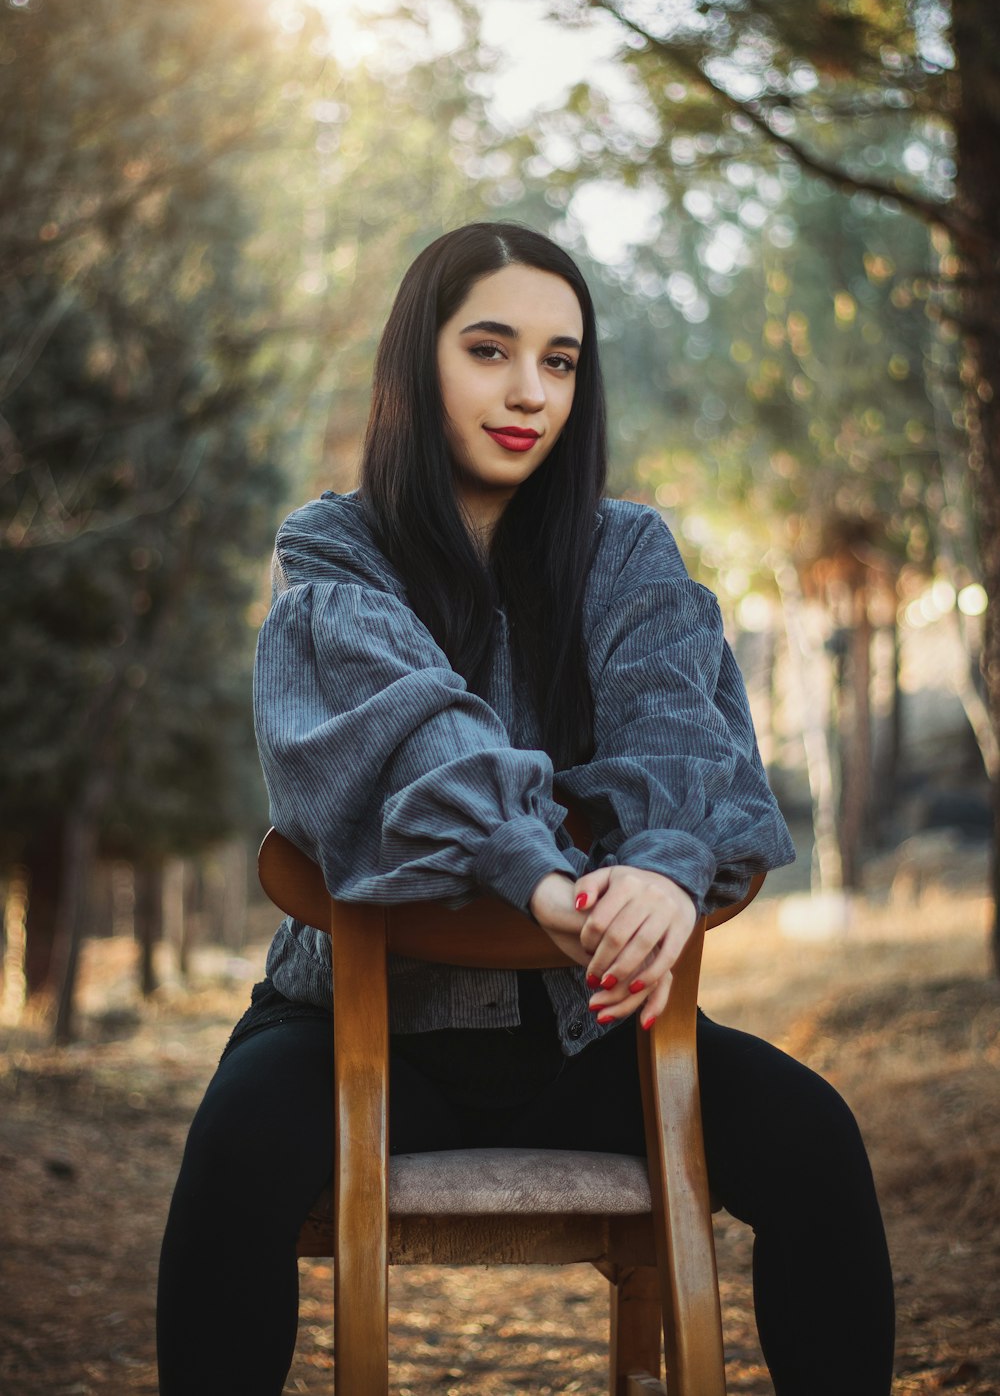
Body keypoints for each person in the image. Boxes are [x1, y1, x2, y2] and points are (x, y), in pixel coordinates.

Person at [157, 222, 894, 1394]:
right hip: (358, 1032)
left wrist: (660, 863)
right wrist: (538, 877)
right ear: (418, 364)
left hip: (587, 1035)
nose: (527, 392)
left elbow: (681, 732)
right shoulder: (335, 555)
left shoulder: (630, 555)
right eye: (490, 350)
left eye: (559, 361)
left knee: (815, 1144)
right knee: (230, 1167)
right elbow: (405, 735)